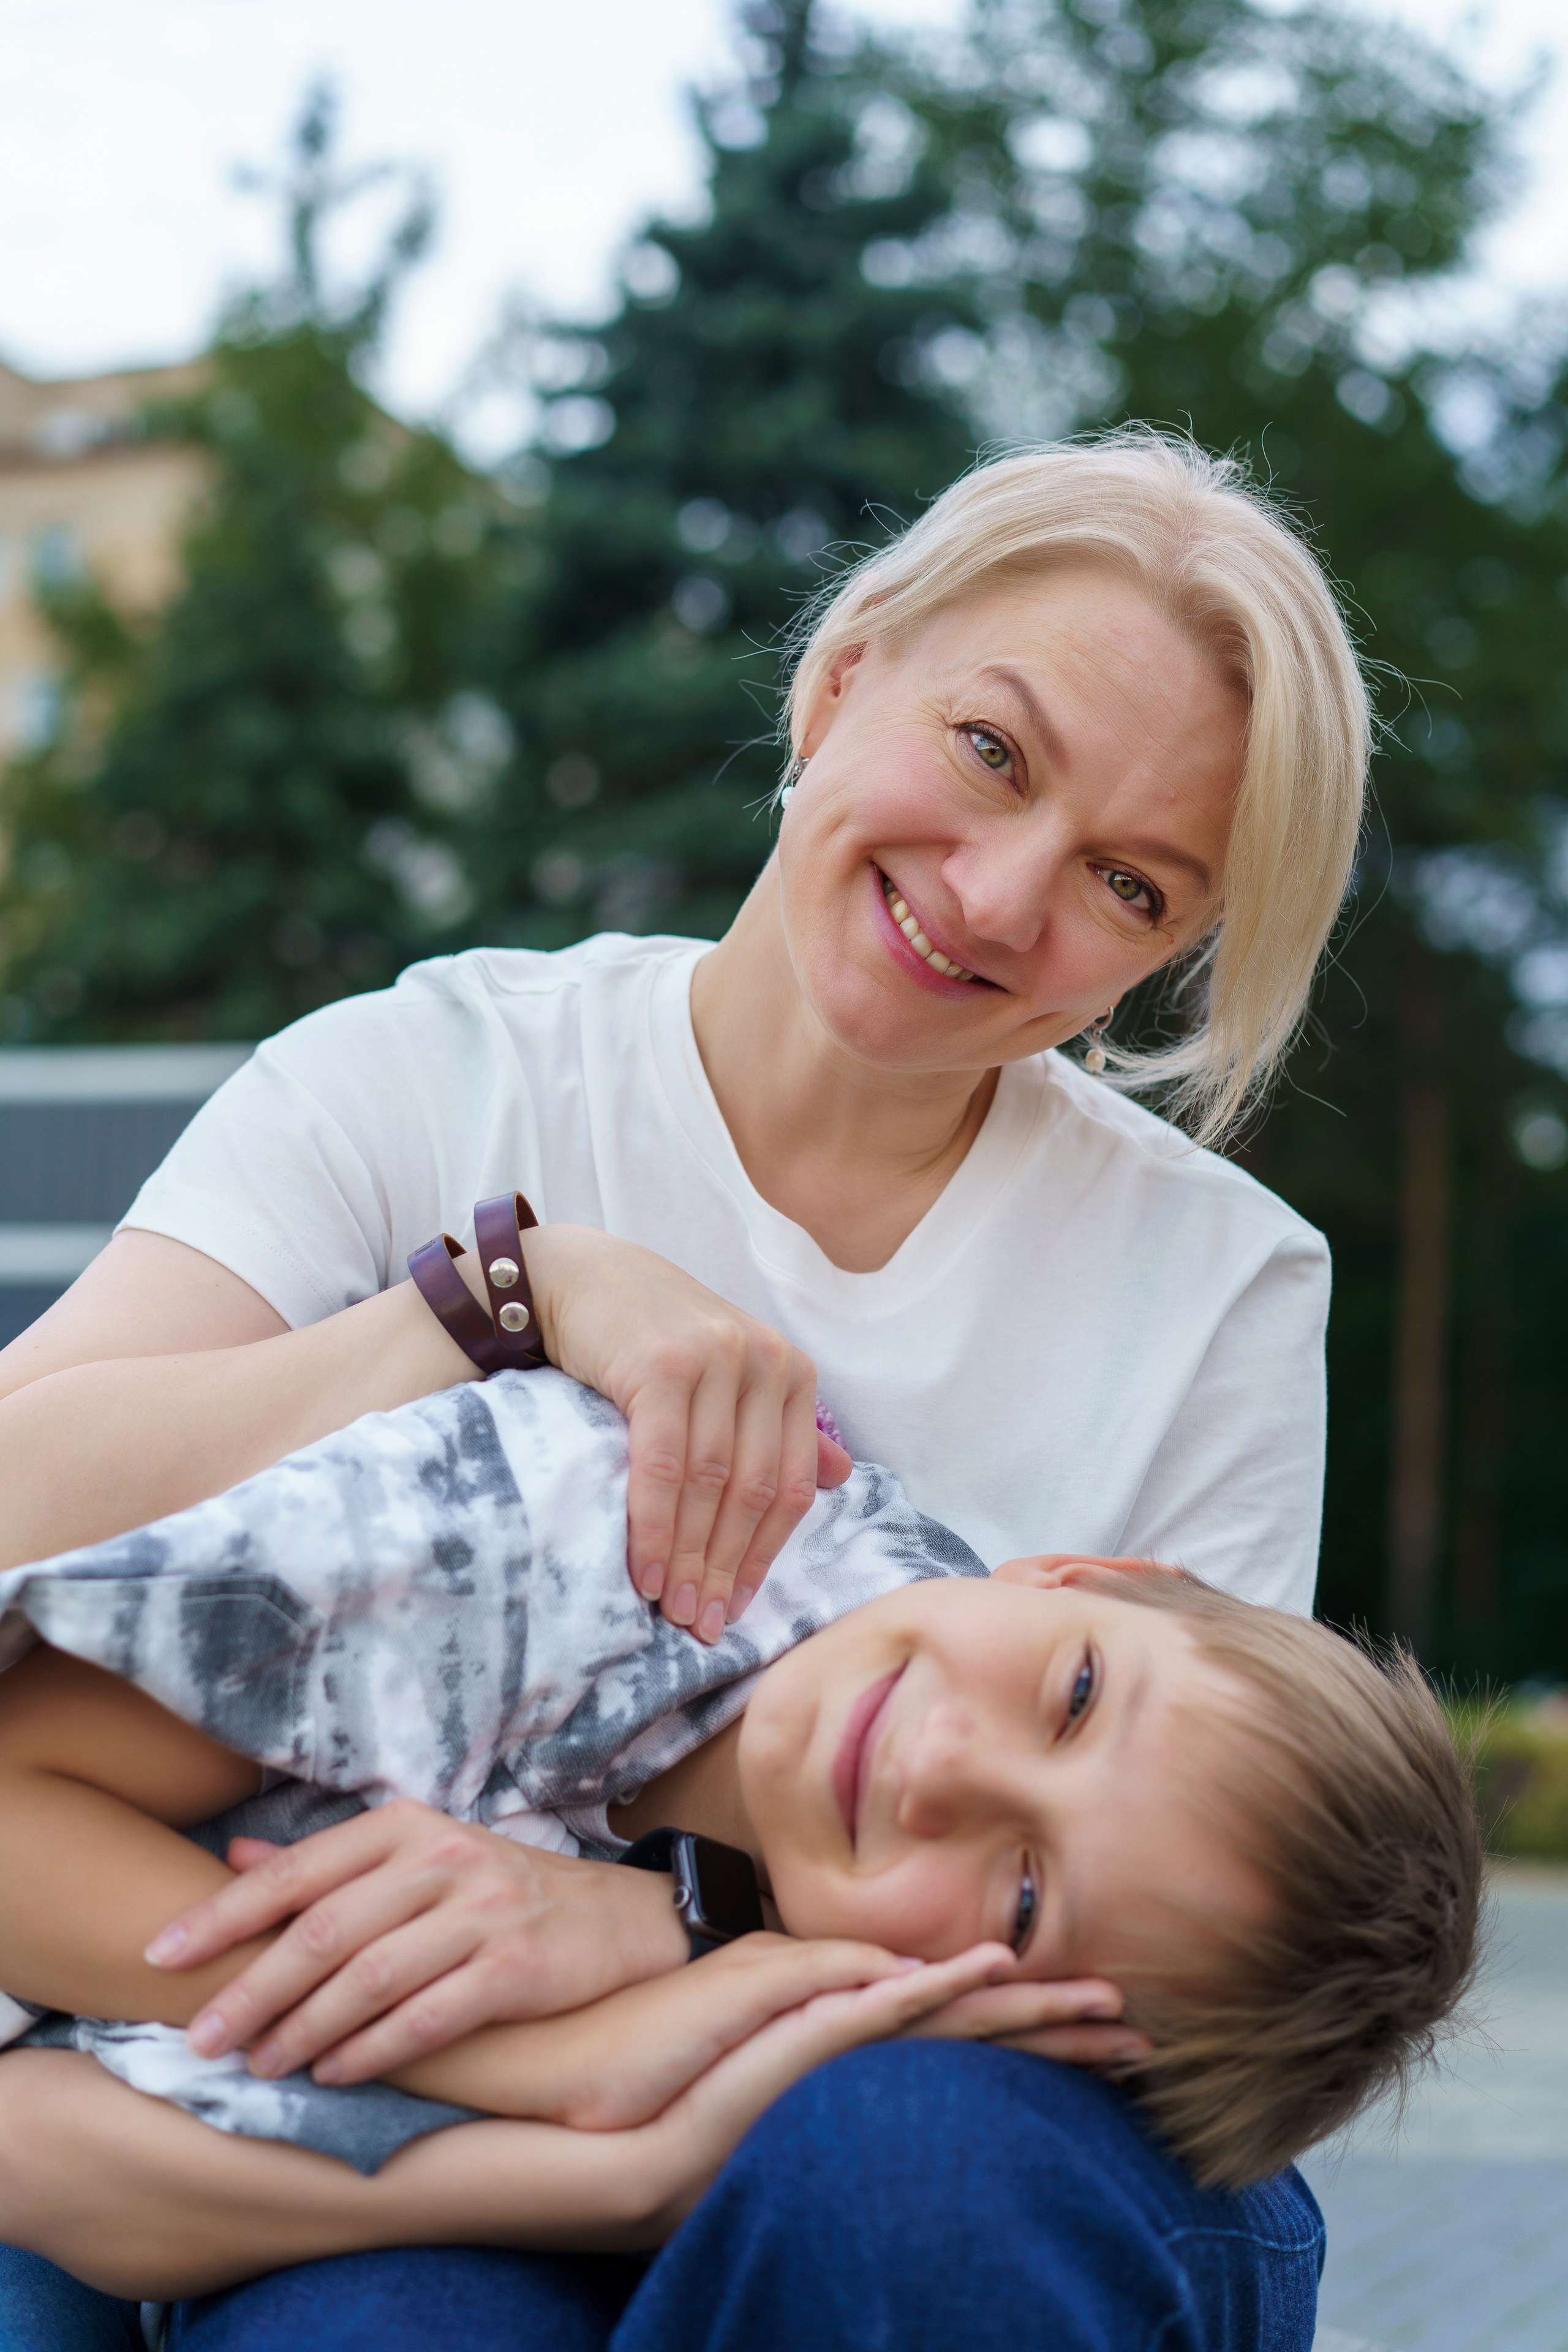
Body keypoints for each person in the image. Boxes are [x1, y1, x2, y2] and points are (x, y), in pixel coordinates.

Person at [0, 431, 1371, 2348]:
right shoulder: (423, 1073)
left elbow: (1155, 1956)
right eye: (993, 750)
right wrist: (502, 1300)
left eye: (1131, 887)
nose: (995, 898)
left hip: (910, 2112)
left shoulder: (1214, 1283)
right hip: (380, 2075)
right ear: (846, 670)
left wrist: (665, 1933)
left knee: (928, 2173)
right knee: (382, 2320)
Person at [0, 1362, 1481, 2296]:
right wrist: (526, 2065)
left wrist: (614, 2164)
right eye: (1075, 1694)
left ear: (1008, 2026)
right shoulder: (574, 1531)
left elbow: (103, 2179)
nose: (944, 1768)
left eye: (1022, 1895)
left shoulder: (802, 2031)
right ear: (1079, 1577)